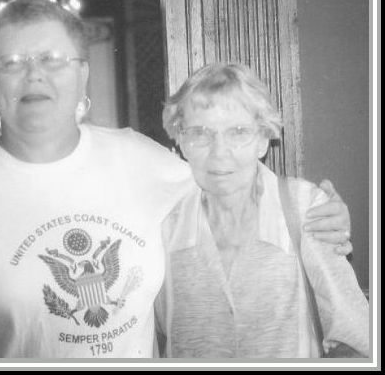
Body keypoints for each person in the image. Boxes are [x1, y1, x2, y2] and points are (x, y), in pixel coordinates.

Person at [0, 0, 352, 358]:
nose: (34, 74)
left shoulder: (139, 157)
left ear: (83, 73)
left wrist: (316, 211)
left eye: (53, 59)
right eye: (11, 62)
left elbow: (226, 172)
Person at [156, 62, 369, 358]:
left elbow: (356, 340)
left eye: (238, 132)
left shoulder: (304, 209)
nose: (219, 153)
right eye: (200, 133)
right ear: (180, 140)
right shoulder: (163, 222)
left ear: (263, 140)